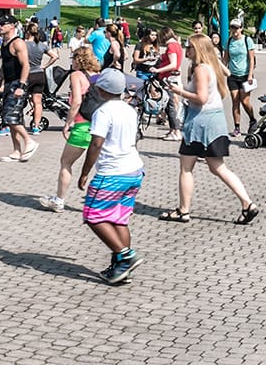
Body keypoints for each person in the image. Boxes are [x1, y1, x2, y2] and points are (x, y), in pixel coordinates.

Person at [162, 33, 258, 224]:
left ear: (198, 49)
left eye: (189, 47)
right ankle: (247, 203)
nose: (186, 50)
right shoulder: (212, 66)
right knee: (218, 167)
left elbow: (201, 98)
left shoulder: (200, 69)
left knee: (186, 167)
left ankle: (183, 210)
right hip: (215, 121)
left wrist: (179, 91)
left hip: (200, 124)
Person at [74, 68, 145, 284]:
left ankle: (125, 256)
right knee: (118, 218)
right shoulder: (129, 110)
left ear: (101, 89)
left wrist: (85, 172)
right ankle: (121, 269)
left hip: (112, 172)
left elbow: (96, 143)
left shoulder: (103, 112)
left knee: (92, 215)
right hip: (133, 170)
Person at [38, 47, 100, 213]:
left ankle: (59, 200)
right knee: (100, 166)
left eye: (73, 58)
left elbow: (77, 101)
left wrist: (68, 123)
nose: (71, 61)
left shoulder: (76, 75)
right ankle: (103, 203)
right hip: (99, 127)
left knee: (66, 163)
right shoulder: (98, 75)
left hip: (82, 126)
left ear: (79, 60)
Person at [0, 20, 35, 162]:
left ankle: (29, 141)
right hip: (8, 83)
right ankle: (16, 151)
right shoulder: (4, 43)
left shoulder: (18, 43)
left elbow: (26, 65)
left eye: (4, 24)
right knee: (15, 118)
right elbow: (4, 65)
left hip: (17, 83)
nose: (1, 26)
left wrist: (21, 86)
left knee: (9, 116)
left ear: (12, 26)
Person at [149, 29, 185, 140]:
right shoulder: (176, 45)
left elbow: (173, 64)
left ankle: (176, 131)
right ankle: (172, 130)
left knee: (170, 106)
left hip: (168, 78)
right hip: (170, 77)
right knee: (169, 106)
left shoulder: (171, 46)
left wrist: (157, 70)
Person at [222, 20, 256, 137]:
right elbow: (225, 59)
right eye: (232, 27)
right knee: (235, 100)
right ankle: (237, 127)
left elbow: (251, 59)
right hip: (232, 76)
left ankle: (252, 119)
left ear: (241, 28)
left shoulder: (247, 40)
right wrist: (222, 71)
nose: (234, 30)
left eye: (236, 28)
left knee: (245, 101)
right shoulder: (228, 41)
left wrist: (250, 75)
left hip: (245, 75)